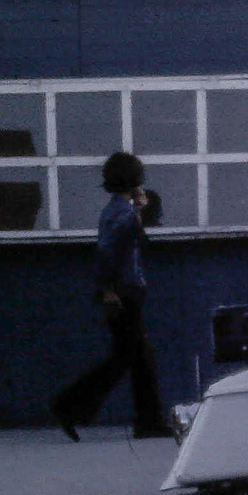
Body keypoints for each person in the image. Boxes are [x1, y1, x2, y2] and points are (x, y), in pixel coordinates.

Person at [51, 153, 169, 441]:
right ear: (136, 179)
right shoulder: (124, 214)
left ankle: (149, 421)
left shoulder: (117, 210)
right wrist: (108, 290)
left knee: (139, 358)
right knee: (126, 357)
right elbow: (108, 252)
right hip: (124, 291)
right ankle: (68, 405)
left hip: (123, 290)